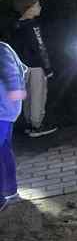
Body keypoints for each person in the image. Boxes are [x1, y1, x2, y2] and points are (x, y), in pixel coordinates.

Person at [10, 0, 56, 137]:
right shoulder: (33, 25)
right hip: (36, 67)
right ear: (28, 9)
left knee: (28, 96)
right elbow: (40, 47)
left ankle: (29, 124)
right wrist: (47, 68)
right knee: (38, 95)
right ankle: (37, 125)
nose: (40, 7)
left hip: (22, 67)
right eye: (37, 5)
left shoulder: (16, 25)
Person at [0, 42, 28, 212]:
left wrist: (15, 98)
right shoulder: (4, 48)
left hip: (3, 112)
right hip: (6, 111)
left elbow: (14, 73)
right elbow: (22, 68)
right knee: (4, 150)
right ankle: (10, 191)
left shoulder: (1, 49)